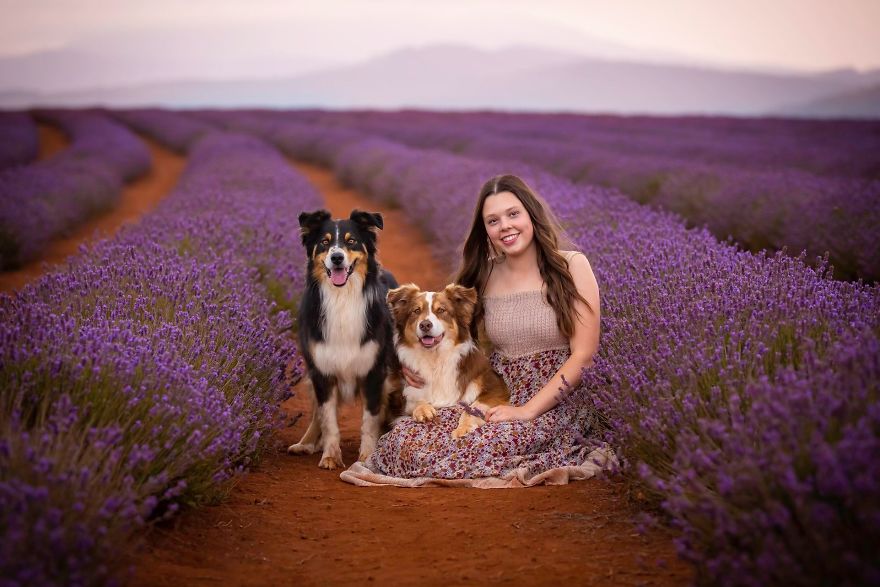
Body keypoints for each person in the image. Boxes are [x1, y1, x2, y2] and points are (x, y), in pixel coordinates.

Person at [341, 174, 613, 487]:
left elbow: (584, 355)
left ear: (531, 215)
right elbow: (445, 332)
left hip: (555, 399)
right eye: (493, 220)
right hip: (491, 393)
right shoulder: (483, 275)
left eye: (513, 214)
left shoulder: (573, 266)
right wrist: (407, 366)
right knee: (404, 441)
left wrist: (526, 411)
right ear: (485, 230)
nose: (505, 227)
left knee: (482, 446)